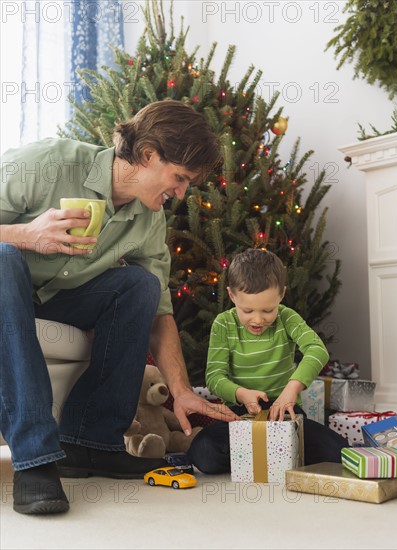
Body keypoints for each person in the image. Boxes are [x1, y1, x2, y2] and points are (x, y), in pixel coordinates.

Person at [0, 100, 239, 515]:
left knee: (140, 285)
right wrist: (26, 234)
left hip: (52, 301)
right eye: (179, 178)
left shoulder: (149, 219)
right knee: (3, 259)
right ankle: (35, 459)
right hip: (4, 289)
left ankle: (90, 443)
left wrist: (181, 391)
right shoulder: (49, 162)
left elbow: (160, 312)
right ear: (147, 155)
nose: (181, 193)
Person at [187, 248, 346, 473]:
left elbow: (317, 350)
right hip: (239, 413)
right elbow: (214, 377)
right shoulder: (223, 324)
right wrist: (241, 393)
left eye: (268, 310)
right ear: (232, 296)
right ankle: (272, 456)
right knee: (203, 454)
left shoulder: (287, 317)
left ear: (281, 295)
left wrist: (291, 389)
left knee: (338, 452)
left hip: (284, 410)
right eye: (248, 310)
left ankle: (272, 454)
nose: (258, 319)